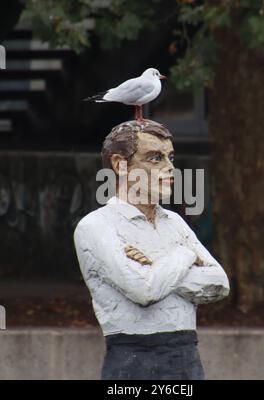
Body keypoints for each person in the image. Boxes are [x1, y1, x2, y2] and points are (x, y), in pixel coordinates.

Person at [73, 119, 230, 380]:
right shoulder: (96, 226)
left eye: (170, 157)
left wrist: (155, 265)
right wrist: (186, 254)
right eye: (155, 158)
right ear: (120, 165)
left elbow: (219, 283)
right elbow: (144, 291)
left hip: (187, 361)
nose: (170, 168)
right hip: (132, 365)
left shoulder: (175, 223)